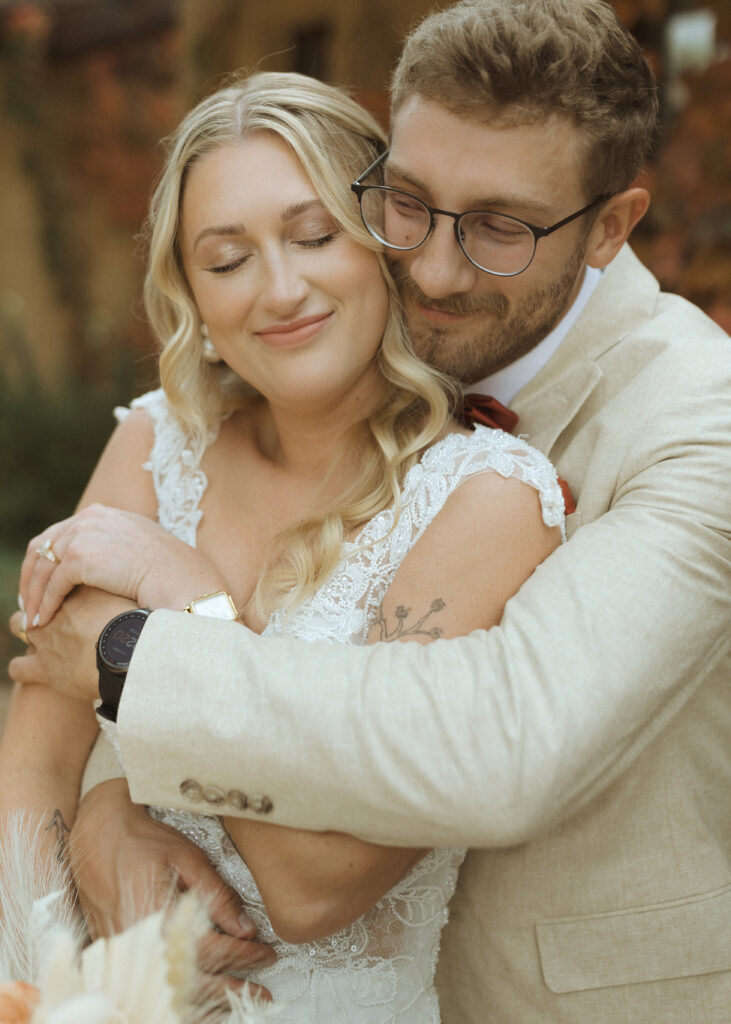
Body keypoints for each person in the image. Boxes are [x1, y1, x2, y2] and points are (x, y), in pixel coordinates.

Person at [8, 0, 730, 1020]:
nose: (430, 269)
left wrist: (164, 627)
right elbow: (37, 739)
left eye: (500, 229)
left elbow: (499, 748)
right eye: (407, 203)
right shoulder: (171, 435)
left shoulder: (700, 424)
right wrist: (98, 821)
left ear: (608, 226)